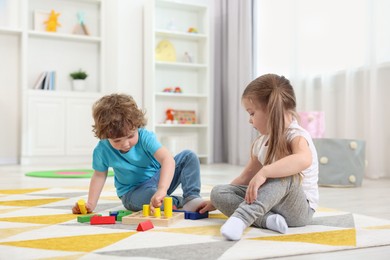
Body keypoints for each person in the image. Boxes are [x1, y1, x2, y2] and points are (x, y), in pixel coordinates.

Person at [198, 74, 319, 240]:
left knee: (286, 175)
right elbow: (244, 178)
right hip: (268, 204)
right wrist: (215, 201)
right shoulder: (260, 143)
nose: (250, 120)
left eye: (252, 113)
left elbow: (304, 159)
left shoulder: (296, 136)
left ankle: (241, 219)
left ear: (270, 111)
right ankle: (267, 220)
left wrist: (264, 172)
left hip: (298, 210)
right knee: (219, 191)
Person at [72, 93, 203, 214]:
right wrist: (90, 203)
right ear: (105, 136)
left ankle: (191, 198)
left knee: (188, 156)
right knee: (150, 198)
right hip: (133, 192)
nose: (125, 144)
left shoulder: (144, 137)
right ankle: (175, 201)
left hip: (158, 179)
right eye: (117, 140)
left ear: (137, 126)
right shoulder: (102, 150)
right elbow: (99, 175)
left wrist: (162, 189)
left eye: (130, 136)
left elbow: (167, 159)